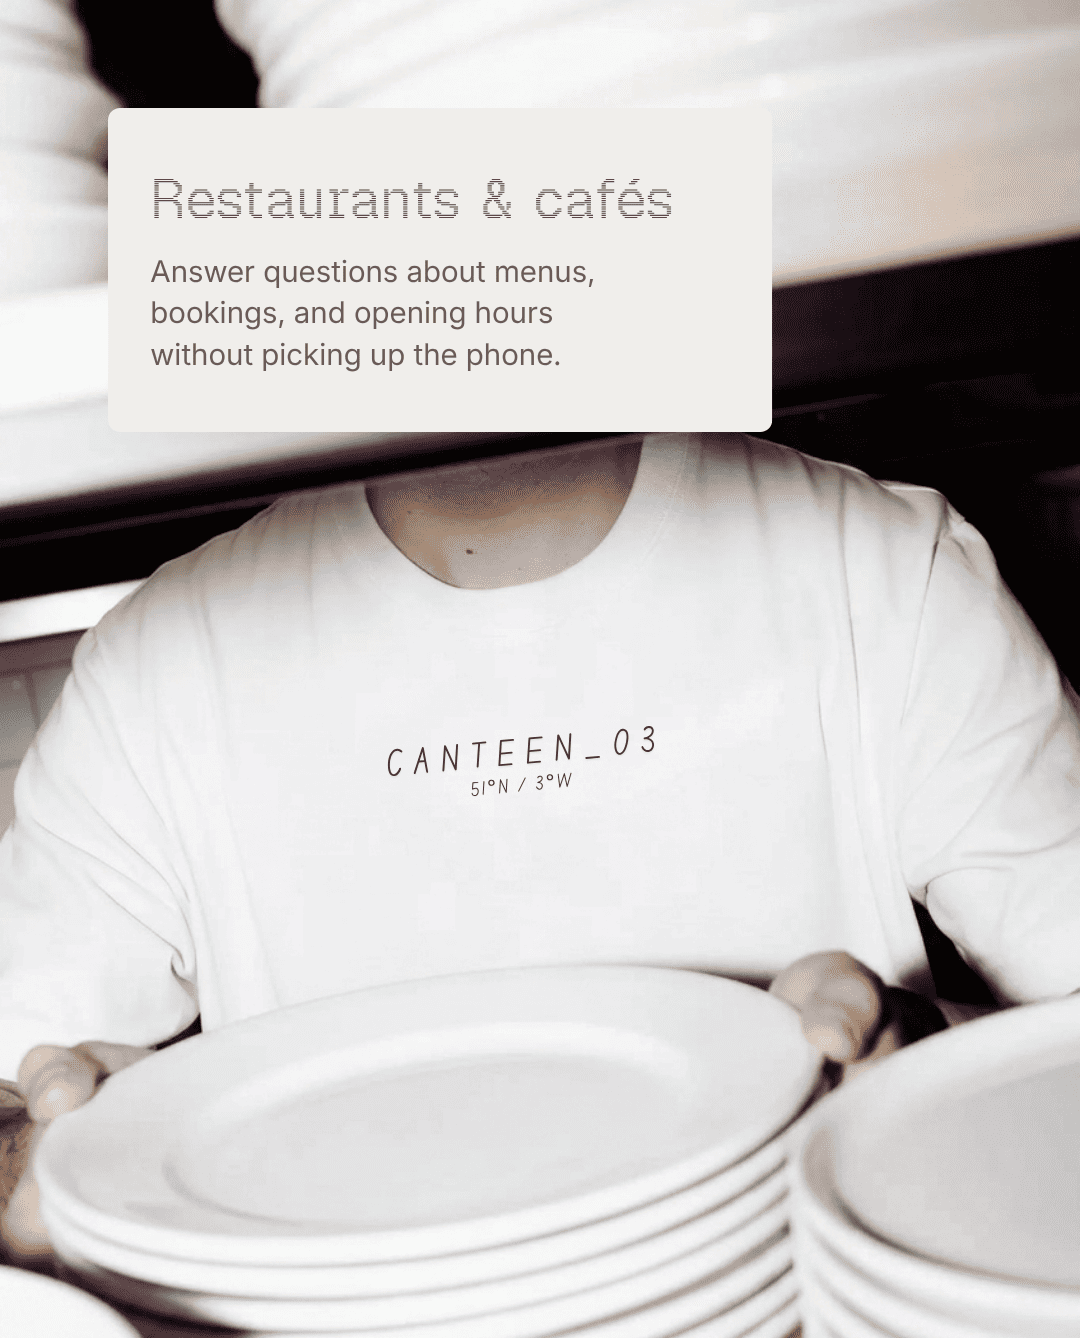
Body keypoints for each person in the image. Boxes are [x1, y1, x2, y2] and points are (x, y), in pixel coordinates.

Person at [3, 431, 1080, 1261]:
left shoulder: (884, 566)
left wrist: (926, 1072)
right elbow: (13, 1112)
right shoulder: (155, 667)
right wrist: (50, 1165)